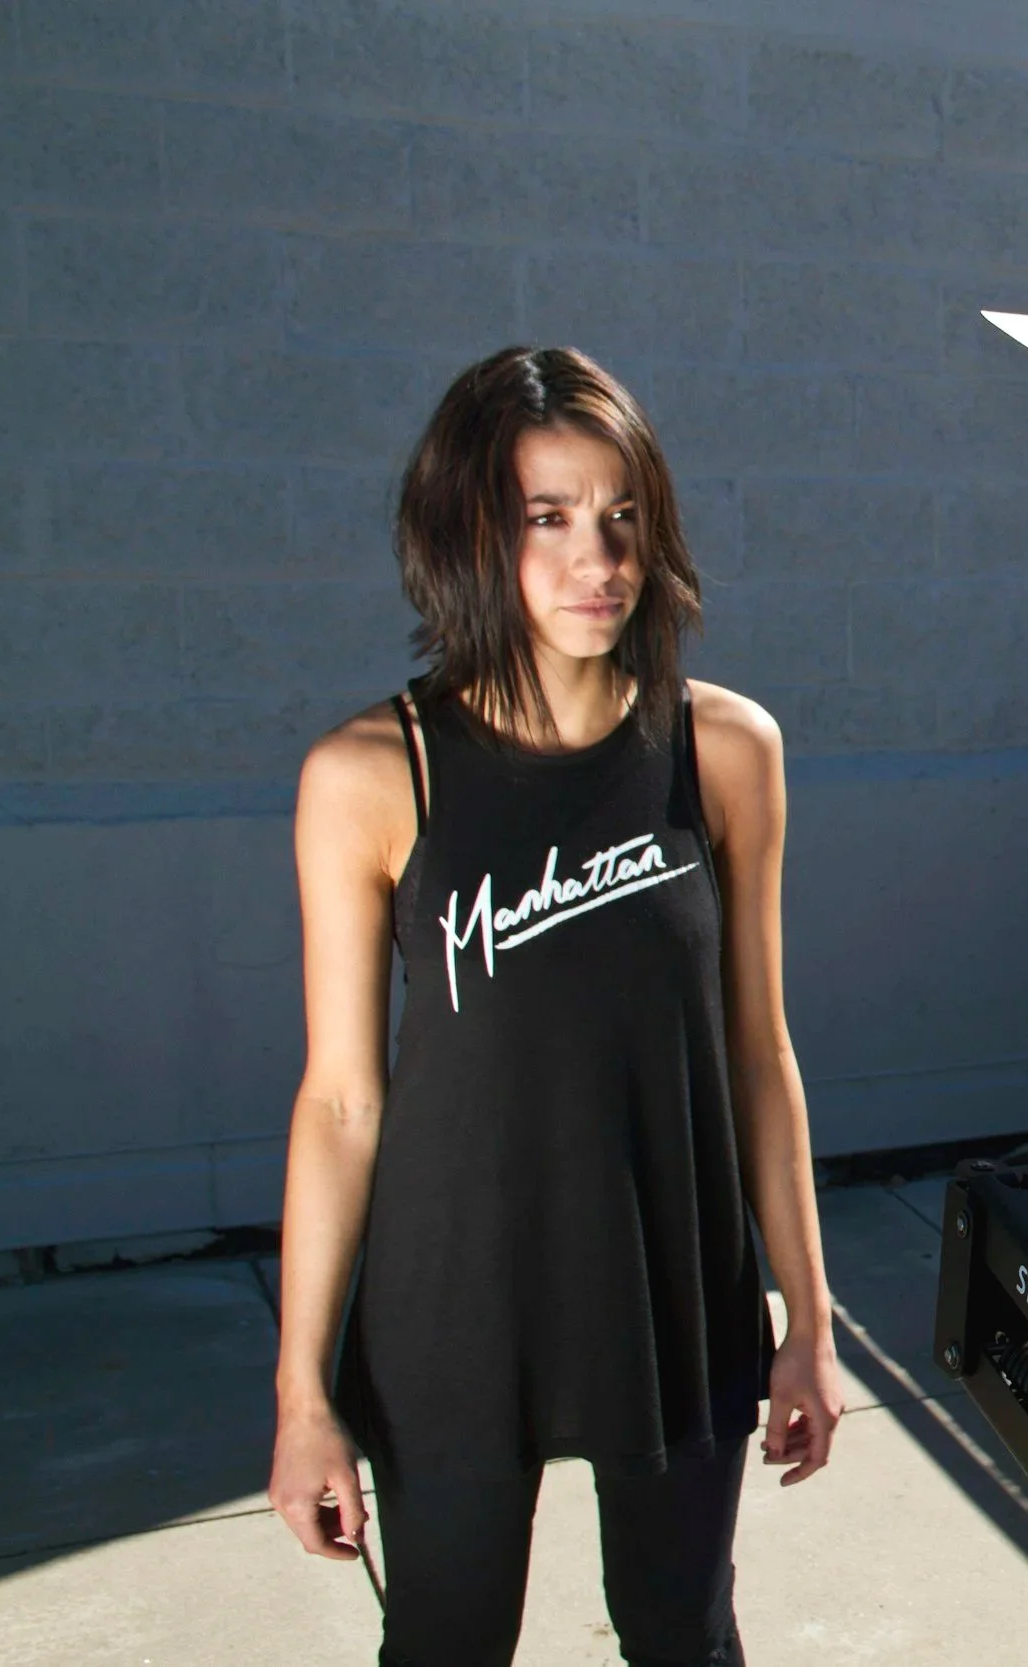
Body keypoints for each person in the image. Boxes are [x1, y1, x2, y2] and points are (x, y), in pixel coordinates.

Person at [266, 346, 848, 1666]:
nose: (602, 558)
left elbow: (760, 1053)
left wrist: (806, 1322)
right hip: (452, 1306)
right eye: (550, 517)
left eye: (622, 515)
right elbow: (343, 1100)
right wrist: (304, 1391)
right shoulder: (369, 774)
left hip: (674, 1286)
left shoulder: (725, 752)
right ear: (471, 532)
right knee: (445, 1642)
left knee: (685, 1639)